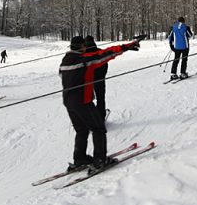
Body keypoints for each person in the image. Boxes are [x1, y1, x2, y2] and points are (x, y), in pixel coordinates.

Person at [59, 35, 140, 171]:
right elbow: (107, 54)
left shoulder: (64, 61)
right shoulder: (85, 59)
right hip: (83, 101)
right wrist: (127, 46)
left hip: (68, 101)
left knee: (82, 130)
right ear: (81, 47)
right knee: (98, 129)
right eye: (84, 45)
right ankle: (100, 160)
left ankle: (80, 159)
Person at [84, 36, 108, 122]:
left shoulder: (83, 54)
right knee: (100, 98)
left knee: (87, 100)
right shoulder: (100, 51)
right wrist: (102, 76)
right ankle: (101, 117)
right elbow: (105, 65)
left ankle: (88, 118)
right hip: (99, 79)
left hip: (87, 81)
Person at [168, 16, 193, 80]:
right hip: (185, 46)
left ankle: (173, 74)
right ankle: (183, 73)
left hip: (176, 46)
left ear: (178, 21)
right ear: (184, 21)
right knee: (184, 60)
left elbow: (170, 36)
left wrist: (171, 45)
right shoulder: (186, 27)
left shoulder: (173, 27)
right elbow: (190, 35)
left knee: (176, 59)